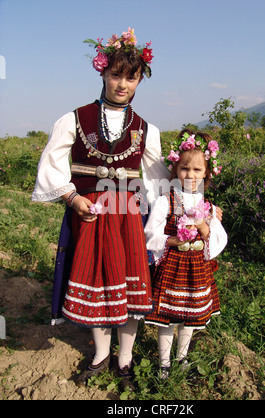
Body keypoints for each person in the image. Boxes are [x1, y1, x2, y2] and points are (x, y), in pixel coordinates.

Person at [31, 27, 170, 388]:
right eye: (115, 75)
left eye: (131, 77)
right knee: (95, 281)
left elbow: (160, 181)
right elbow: (51, 165)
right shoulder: (74, 120)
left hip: (127, 217)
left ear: (140, 80)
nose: (122, 84)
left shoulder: (146, 130)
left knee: (130, 287)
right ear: (103, 73)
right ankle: (100, 354)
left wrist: (193, 209)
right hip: (89, 214)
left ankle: (124, 361)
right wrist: (72, 197)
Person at [144, 129, 228, 379]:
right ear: (175, 170)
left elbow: (219, 238)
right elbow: (149, 235)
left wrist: (203, 226)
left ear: (207, 174)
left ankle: (182, 358)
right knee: (168, 318)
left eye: (197, 170)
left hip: (197, 269)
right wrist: (173, 240)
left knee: (190, 316)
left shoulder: (209, 207)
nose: (190, 175)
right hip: (173, 267)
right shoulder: (165, 202)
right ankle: (164, 363)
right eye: (184, 169)